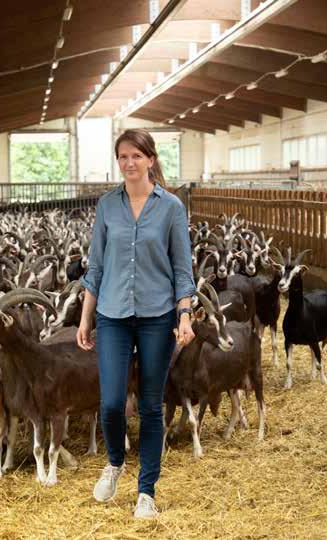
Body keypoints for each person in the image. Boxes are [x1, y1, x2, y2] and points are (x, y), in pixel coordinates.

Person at [77, 128, 196, 519]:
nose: (129, 163)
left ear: (150, 159)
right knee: (111, 403)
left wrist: (184, 314)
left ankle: (147, 491)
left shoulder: (171, 208)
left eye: (136, 156)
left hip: (156, 316)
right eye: (123, 157)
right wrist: (86, 317)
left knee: (149, 405)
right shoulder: (107, 205)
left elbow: (182, 270)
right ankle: (115, 462)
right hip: (112, 314)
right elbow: (96, 266)